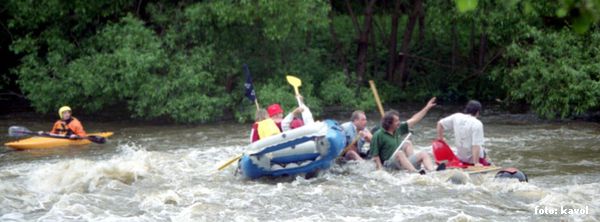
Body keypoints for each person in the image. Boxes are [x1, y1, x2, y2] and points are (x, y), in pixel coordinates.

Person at [370, 97, 443, 173]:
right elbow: (375, 155)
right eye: (396, 121)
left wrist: (426, 108)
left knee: (422, 153)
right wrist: (380, 170)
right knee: (400, 153)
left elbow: (414, 119)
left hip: (400, 161)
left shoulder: (398, 128)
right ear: (389, 123)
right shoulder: (378, 135)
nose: (399, 122)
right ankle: (415, 172)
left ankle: (433, 171)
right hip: (388, 164)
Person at [436, 100, 490, 166]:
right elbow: (476, 145)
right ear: (478, 112)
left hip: (460, 158)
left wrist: (440, 138)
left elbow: (440, 124)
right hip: (473, 160)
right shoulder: (477, 123)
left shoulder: (456, 116)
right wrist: (476, 163)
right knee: (483, 151)